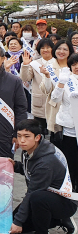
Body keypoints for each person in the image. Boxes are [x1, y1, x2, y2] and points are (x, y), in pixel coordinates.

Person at [10, 119, 77, 234]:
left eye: (27, 136)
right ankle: (57, 219)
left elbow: (31, 192)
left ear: (37, 137)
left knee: (36, 199)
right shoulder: (30, 150)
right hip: (47, 196)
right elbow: (29, 170)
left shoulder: (45, 163)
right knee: (11, 223)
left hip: (65, 202)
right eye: (19, 136)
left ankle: (47, 228)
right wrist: (15, 165)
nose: (22, 141)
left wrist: (18, 222)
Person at [51, 53, 78, 190]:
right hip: (69, 126)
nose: (76, 67)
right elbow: (55, 99)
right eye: (73, 64)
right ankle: (70, 187)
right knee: (70, 160)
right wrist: (61, 83)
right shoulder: (67, 80)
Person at [21, 38, 55, 135]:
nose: (45, 50)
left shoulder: (57, 63)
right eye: (42, 48)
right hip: (39, 104)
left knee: (54, 134)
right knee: (39, 133)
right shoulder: (35, 63)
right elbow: (25, 78)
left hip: (54, 103)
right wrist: (25, 65)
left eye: (48, 47)